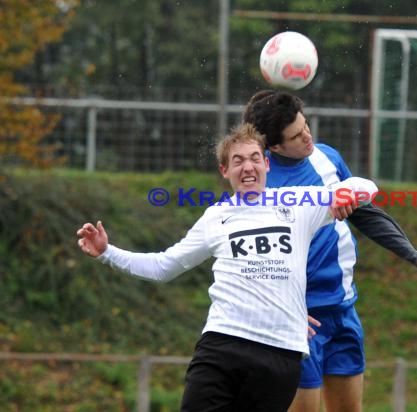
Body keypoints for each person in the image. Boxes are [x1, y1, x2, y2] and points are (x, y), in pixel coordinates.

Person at [76, 123, 379, 412]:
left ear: (267, 165)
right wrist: (107, 252)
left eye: (254, 158)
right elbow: (164, 265)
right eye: (238, 161)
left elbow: (366, 188)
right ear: (225, 171)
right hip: (222, 345)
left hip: (280, 352)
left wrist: (347, 195)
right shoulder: (216, 217)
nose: (248, 167)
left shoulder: (300, 203)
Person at [243, 91, 417, 412]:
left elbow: (366, 212)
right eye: (296, 135)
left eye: (305, 126)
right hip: (297, 321)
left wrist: (414, 256)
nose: (307, 136)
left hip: (343, 311)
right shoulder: (262, 186)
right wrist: (279, 309)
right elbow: (251, 259)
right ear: (274, 146)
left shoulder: (327, 158)